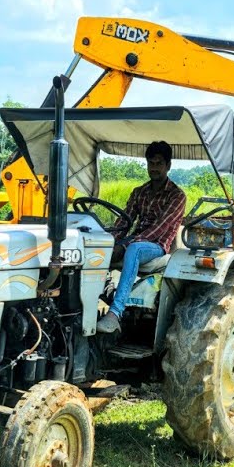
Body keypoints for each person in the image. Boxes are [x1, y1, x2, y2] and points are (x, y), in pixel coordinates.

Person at [96, 141, 187, 334]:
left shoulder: (177, 196)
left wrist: (128, 243)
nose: (154, 168)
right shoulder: (140, 192)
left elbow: (161, 227)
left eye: (159, 163)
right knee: (96, 247)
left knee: (134, 249)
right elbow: (123, 222)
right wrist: (109, 242)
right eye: (151, 163)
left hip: (157, 246)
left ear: (168, 166)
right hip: (135, 242)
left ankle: (115, 313)